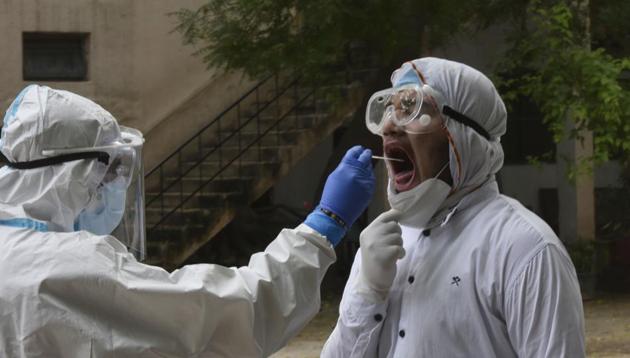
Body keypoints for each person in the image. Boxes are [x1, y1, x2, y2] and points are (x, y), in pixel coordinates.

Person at [0, 85, 376, 357]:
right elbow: (227, 315)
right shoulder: (64, 269)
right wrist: (323, 225)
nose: (113, 188)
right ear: (75, 174)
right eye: (111, 174)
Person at [321, 57, 585, 357]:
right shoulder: (381, 244)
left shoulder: (525, 248)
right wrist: (368, 292)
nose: (389, 126)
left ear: (462, 137)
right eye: (390, 109)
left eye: (412, 108)